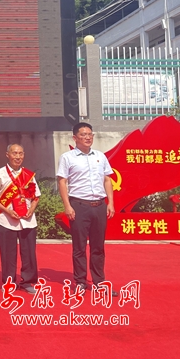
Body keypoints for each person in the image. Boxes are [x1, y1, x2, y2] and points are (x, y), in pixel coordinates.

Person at [57, 122, 118, 296]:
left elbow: (107, 180)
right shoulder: (67, 157)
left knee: (98, 247)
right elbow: (62, 181)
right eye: (83, 134)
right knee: (79, 247)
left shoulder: (100, 156)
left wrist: (110, 202)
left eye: (90, 134)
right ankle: (81, 282)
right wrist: (67, 205)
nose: (87, 137)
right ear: (75, 138)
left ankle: (99, 282)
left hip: (99, 205)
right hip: (79, 206)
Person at [0, 144, 41, 294]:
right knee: (8, 253)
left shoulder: (28, 175)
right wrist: (7, 211)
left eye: (20, 153)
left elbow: (36, 196)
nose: (18, 156)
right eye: (14, 153)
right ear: (7, 155)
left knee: (29, 253)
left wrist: (31, 209)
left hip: (27, 220)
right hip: (6, 219)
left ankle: (28, 281)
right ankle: (9, 282)